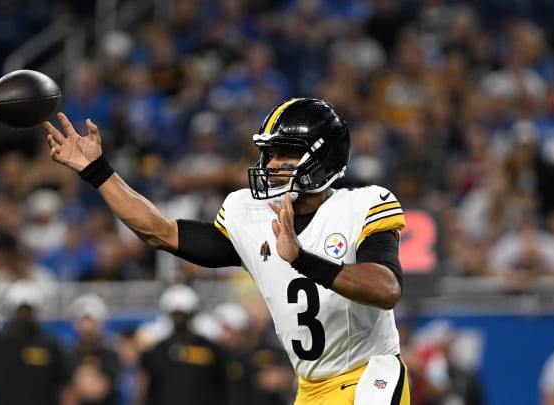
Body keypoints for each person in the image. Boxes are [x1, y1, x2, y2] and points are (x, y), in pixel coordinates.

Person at [44, 97, 409, 404]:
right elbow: (159, 232)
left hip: (370, 374)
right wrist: (97, 171)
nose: (273, 165)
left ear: (324, 159)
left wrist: (301, 258)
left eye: (287, 155)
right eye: (270, 155)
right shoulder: (247, 214)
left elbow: (386, 289)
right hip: (312, 388)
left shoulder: (363, 205)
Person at [0, 280, 72, 405]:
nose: (24, 315)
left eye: (28, 310)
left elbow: (62, 386)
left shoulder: (50, 345)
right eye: (20, 310)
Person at [137, 283, 228, 405]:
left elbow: (222, 384)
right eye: (176, 314)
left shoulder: (210, 349)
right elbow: (145, 385)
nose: (179, 318)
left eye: (183, 314)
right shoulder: (156, 350)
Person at [67, 293, 121, 405]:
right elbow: (66, 393)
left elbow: (100, 390)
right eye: (83, 321)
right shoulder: (68, 354)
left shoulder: (111, 354)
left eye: (91, 321)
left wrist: (81, 384)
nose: (87, 327)